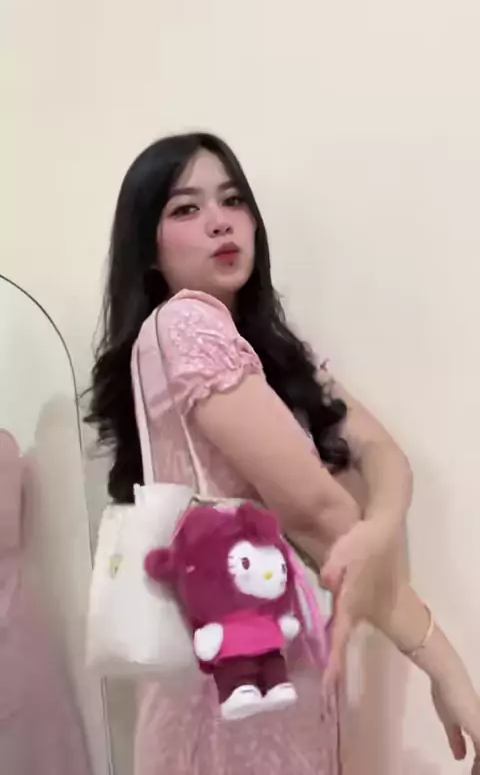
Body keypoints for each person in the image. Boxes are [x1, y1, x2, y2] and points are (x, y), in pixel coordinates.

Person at [88, 132, 480, 774]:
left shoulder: (267, 348)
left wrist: (375, 529)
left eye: (233, 200)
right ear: (149, 251)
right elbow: (315, 511)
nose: (220, 221)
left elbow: (385, 454)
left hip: (279, 687)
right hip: (226, 710)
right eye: (186, 208)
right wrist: (446, 667)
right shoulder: (185, 324)